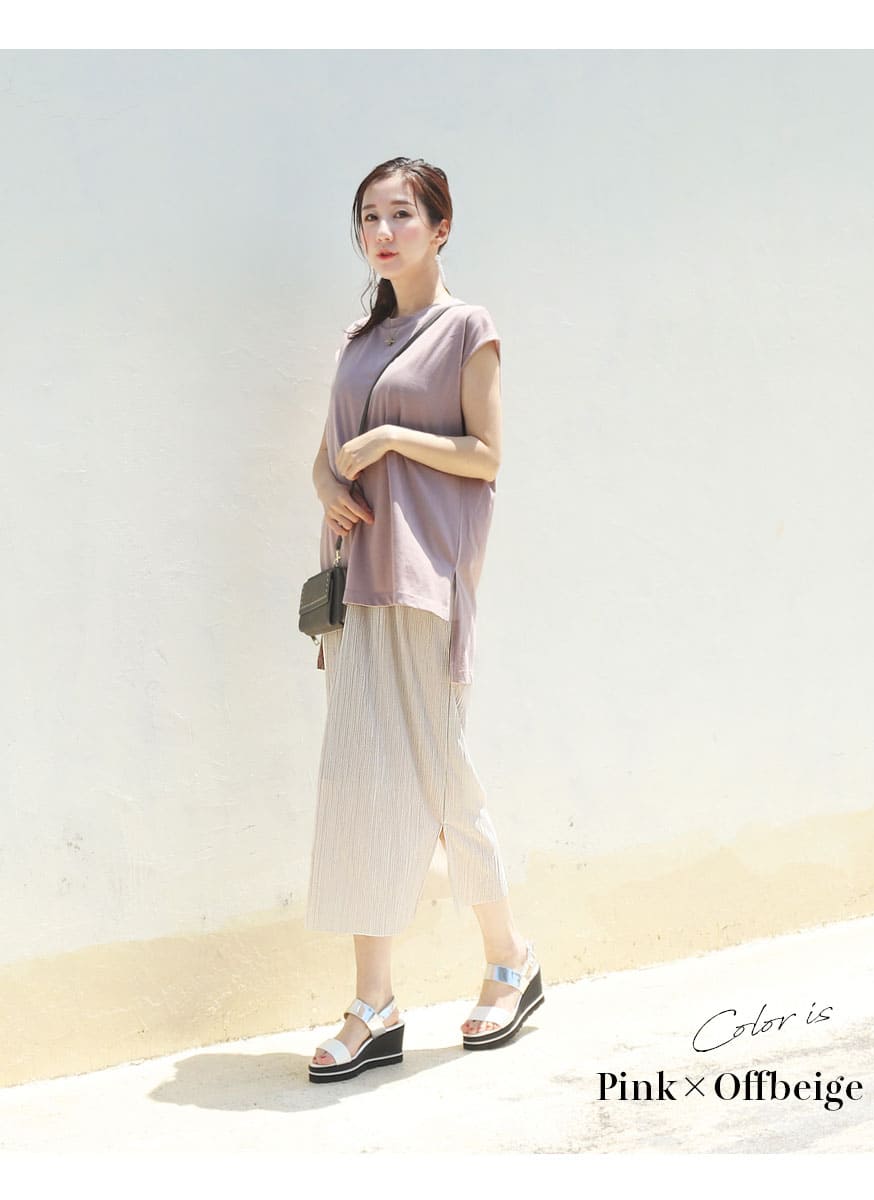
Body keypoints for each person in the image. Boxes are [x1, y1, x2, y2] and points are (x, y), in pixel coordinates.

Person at [304, 157, 543, 1083]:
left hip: (425, 580)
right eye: (369, 216)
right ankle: (375, 1005)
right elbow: (325, 457)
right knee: (360, 785)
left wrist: (396, 437)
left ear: (440, 226)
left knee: (444, 781)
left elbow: (486, 456)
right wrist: (329, 487)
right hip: (356, 584)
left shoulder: (467, 329)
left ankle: (510, 961)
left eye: (401, 214)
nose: (383, 231)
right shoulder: (357, 341)